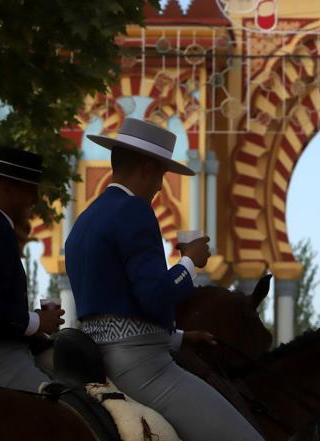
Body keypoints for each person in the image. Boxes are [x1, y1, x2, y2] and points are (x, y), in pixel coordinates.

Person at [65, 118, 263, 441]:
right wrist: (190, 261)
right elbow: (154, 296)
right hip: (142, 368)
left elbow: (114, 309)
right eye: (160, 174)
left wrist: (179, 338)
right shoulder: (135, 210)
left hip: (99, 360)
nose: (160, 186)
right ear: (146, 168)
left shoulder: (84, 220)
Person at [0, 147, 64, 392]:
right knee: (64, 410)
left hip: (6, 347)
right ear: (6, 187)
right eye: (30, 189)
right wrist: (36, 321)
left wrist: (30, 328)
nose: (35, 199)